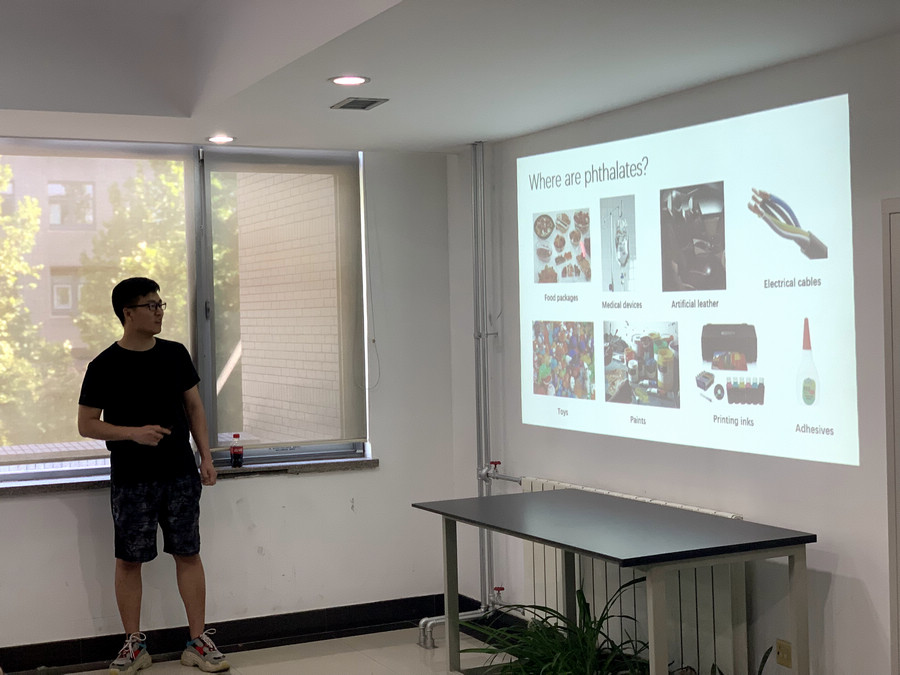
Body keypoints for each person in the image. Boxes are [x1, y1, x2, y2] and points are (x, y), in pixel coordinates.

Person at [77, 277, 229, 674]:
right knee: (129, 560)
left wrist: (206, 457)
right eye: (151, 305)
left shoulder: (175, 354)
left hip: (180, 474)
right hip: (132, 479)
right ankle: (134, 645)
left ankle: (197, 642)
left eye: (161, 304)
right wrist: (133, 433)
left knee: (188, 552)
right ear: (128, 313)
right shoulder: (104, 365)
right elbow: (87, 424)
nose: (159, 311)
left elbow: (194, 408)